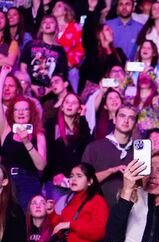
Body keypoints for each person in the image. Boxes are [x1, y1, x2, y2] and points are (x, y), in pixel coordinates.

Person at [0, 66, 47, 211]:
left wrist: (27, 142)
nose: (21, 112)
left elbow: (41, 166)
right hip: (7, 182)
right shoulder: (6, 130)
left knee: (26, 223)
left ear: (30, 112)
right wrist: (2, 76)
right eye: (17, 109)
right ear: (12, 113)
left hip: (29, 182)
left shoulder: (38, 134)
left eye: (25, 109)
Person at [81, 104, 136, 209]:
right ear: (114, 120)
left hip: (131, 211)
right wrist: (111, 171)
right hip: (99, 210)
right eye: (122, 116)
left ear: (135, 124)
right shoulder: (94, 148)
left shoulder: (139, 151)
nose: (126, 120)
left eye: (131, 118)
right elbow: (83, 181)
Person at [43, 93, 92, 202]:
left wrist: (83, 117)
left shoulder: (81, 127)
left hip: (77, 181)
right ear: (62, 106)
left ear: (79, 108)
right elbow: (48, 153)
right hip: (57, 180)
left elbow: (88, 146)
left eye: (74, 103)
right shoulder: (52, 125)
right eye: (67, 102)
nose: (70, 105)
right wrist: (56, 173)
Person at [19, 15, 68, 97]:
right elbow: (22, 68)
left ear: (56, 27)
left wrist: (50, 89)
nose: (48, 24)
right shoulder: (31, 45)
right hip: (29, 89)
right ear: (41, 28)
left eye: (51, 22)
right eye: (45, 22)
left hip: (51, 91)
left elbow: (61, 74)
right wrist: (31, 86)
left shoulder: (60, 50)